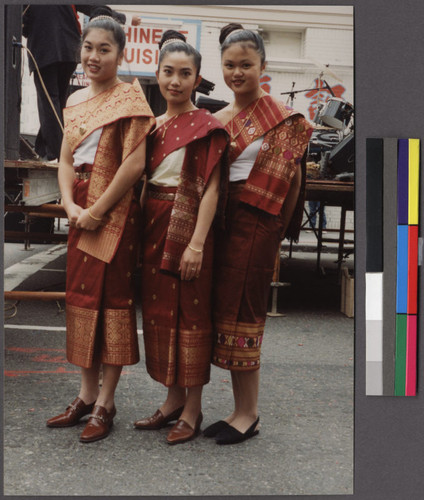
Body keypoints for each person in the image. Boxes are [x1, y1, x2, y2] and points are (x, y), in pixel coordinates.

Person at [46, 15, 155, 443]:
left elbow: (134, 164)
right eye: (88, 47)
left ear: (120, 53)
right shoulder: (74, 100)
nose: (93, 56)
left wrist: (97, 211)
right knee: (81, 301)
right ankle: (85, 395)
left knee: (112, 305)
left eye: (104, 49)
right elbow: (66, 159)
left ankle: (106, 402)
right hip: (80, 210)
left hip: (115, 213)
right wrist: (71, 204)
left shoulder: (130, 99)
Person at [203, 23, 313, 444]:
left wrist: (273, 231)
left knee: (245, 313)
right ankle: (237, 410)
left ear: (262, 66)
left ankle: (248, 413)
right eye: (229, 65)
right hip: (221, 218)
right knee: (223, 312)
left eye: (245, 64)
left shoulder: (283, 119)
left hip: (257, 220)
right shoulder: (217, 118)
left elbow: (294, 184)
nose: (236, 72)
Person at [133, 30, 228, 445]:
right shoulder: (152, 127)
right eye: (168, 72)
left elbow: (212, 188)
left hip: (187, 225)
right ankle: (172, 401)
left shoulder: (206, 126)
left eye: (184, 73)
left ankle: (193, 408)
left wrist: (196, 244)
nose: (175, 81)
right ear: (157, 74)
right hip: (153, 221)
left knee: (190, 315)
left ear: (197, 78)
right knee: (160, 313)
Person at [22, 5, 130, 161]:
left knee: (49, 101)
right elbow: (88, 5)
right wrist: (118, 16)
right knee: (58, 102)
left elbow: (22, 21)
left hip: (44, 48)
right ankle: (43, 147)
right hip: (69, 47)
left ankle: (56, 153)